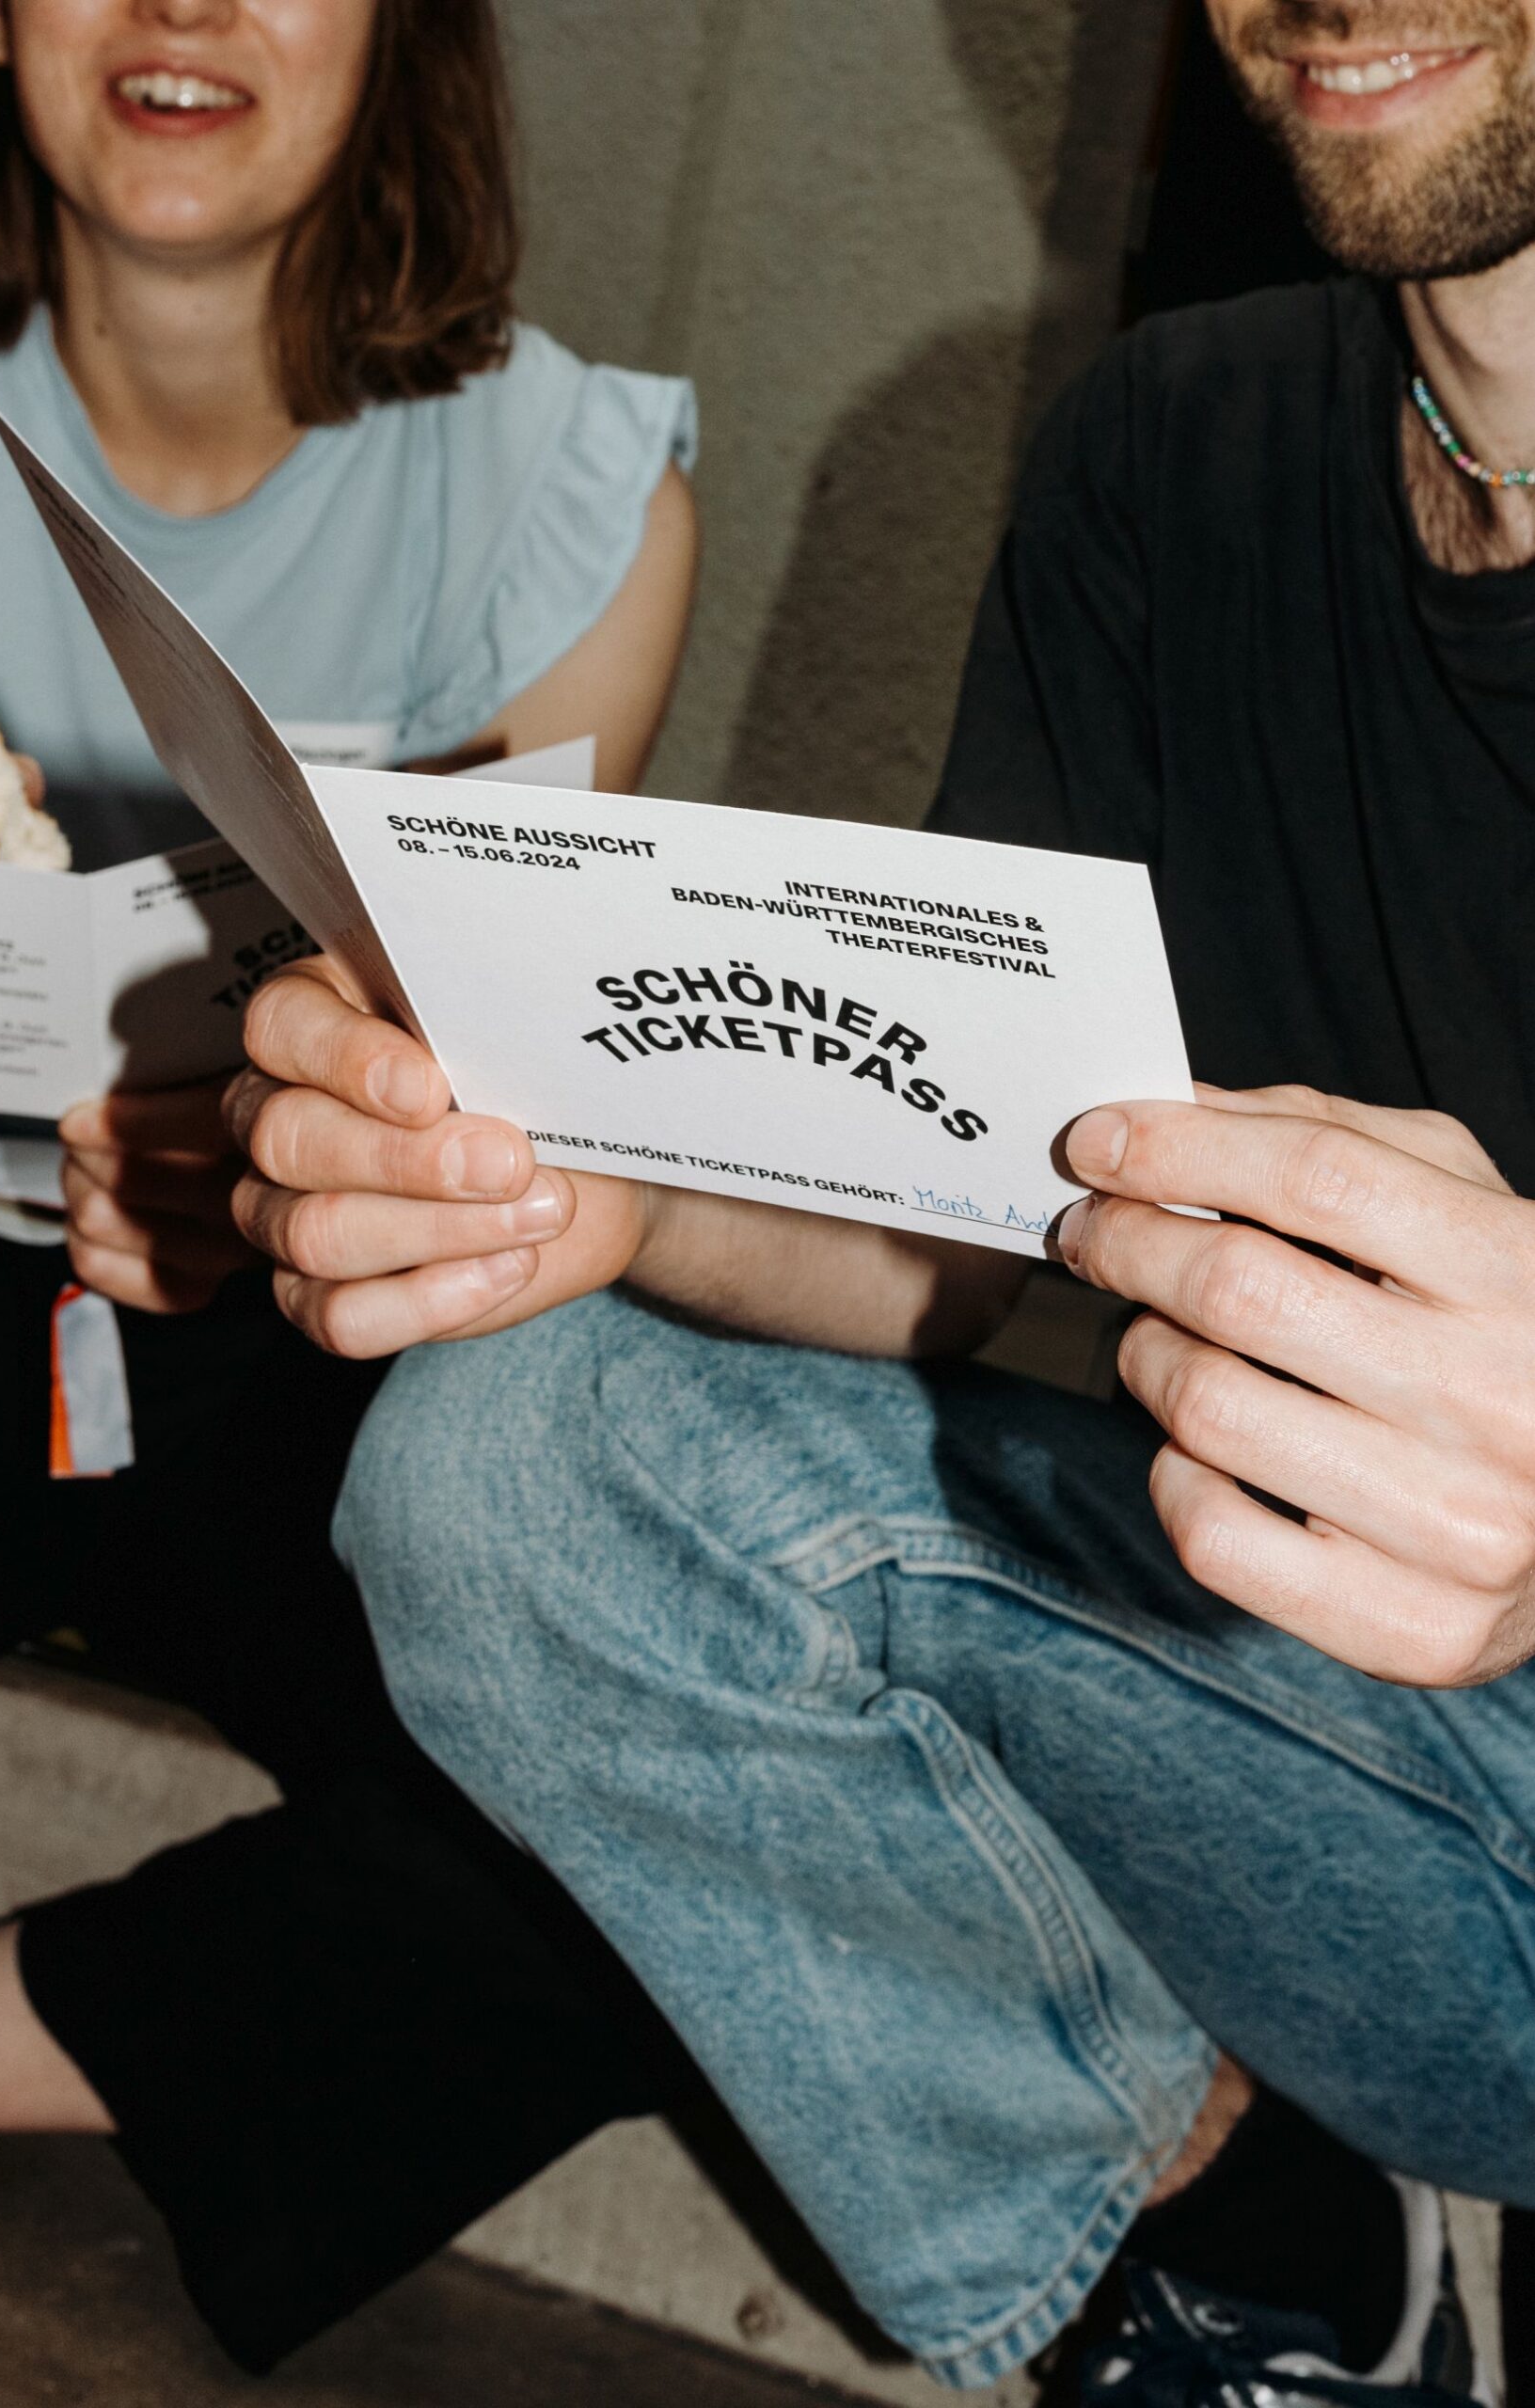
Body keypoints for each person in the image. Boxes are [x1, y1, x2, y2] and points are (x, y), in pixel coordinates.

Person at [227, 0, 1535, 2397]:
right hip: (1386, 1788)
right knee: (513, 1453)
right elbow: (963, 1219)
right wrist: (598, 1178)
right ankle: (1243, 2244)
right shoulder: (1179, 446)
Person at [0, 0, 707, 2371]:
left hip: (321, 1360)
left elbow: (494, 1128)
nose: (183, 6)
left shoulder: (570, 496)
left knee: (681, 1815)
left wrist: (292, 1162)